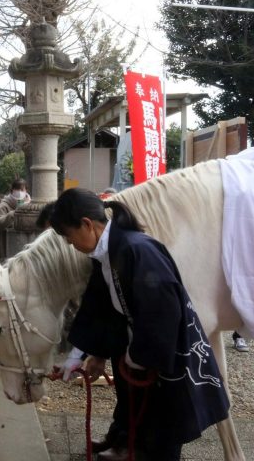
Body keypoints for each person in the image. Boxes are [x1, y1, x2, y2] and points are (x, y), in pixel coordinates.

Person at [49, 188, 230, 460]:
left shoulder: (138, 250)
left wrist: (138, 356)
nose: (69, 243)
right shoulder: (108, 254)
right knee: (138, 412)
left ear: (86, 224)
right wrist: (87, 354)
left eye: (68, 235)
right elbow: (101, 309)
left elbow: (163, 314)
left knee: (163, 429)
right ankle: (126, 445)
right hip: (139, 347)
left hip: (165, 353)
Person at [0, 178, 29, 261]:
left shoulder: (30, 205)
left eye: (22, 189)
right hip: (7, 248)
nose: (19, 192)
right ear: (12, 190)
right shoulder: (4, 205)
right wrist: (13, 214)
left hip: (25, 248)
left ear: (26, 191)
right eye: (17, 189)